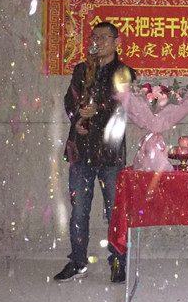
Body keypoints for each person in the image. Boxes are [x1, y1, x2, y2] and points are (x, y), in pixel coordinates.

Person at [54, 21, 136, 283]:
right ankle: (78, 262)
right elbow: (70, 100)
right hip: (81, 151)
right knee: (79, 211)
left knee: (114, 212)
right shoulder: (82, 70)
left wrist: (97, 111)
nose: (97, 42)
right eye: (94, 37)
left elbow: (122, 108)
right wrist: (79, 117)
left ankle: (118, 262)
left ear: (116, 42)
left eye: (103, 37)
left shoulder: (125, 72)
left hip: (110, 153)